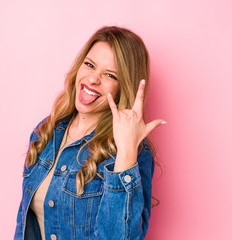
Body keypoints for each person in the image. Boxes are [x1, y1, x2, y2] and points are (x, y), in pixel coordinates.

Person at [14, 26, 166, 240]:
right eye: (90, 65)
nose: (93, 79)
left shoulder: (132, 150)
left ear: (124, 88)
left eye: (110, 75)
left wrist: (126, 153)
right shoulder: (46, 132)